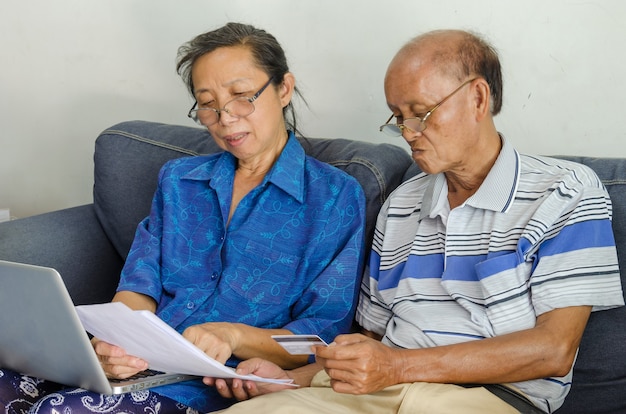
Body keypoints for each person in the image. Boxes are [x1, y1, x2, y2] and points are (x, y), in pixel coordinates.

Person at [208, 29, 625, 414]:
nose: (408, 133)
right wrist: (289, 380)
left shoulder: (565, 190)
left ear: (478, 98)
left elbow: (553, 349)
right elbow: (370, 348)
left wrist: (397, 366)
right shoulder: (402, 204)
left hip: (490, 397)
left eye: (420, 113)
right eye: (397, 117)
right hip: (371, 393)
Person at [0, 22, 366, 414]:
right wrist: (115, 344)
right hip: (143, 364)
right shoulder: (180, 181)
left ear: (284, 89)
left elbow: (319, 339)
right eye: (207, 104)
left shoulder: (335, 198)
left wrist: (235, 336)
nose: (225, 118)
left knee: (59, 409)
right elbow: (140, 285)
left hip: (216, 382)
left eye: (242, 96)